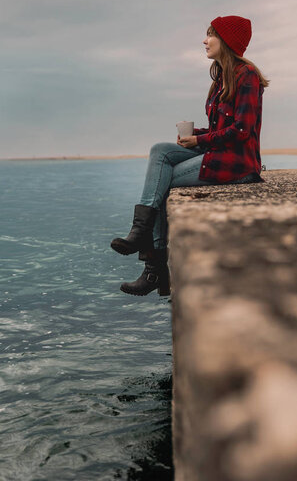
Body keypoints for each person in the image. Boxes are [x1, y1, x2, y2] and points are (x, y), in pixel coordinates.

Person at [111, 15, 270, 297]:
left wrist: (199, 139)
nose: (204, 40)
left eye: (211, 35)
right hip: (219, 151)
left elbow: (242, 130)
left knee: (165, 180)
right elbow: (219, 128)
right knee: (160, 150)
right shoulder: (221, 78)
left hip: (238, 164)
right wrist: (195, 134)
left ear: (228, 41)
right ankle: (140, 234)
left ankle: (153, 266)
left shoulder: (247, 76)